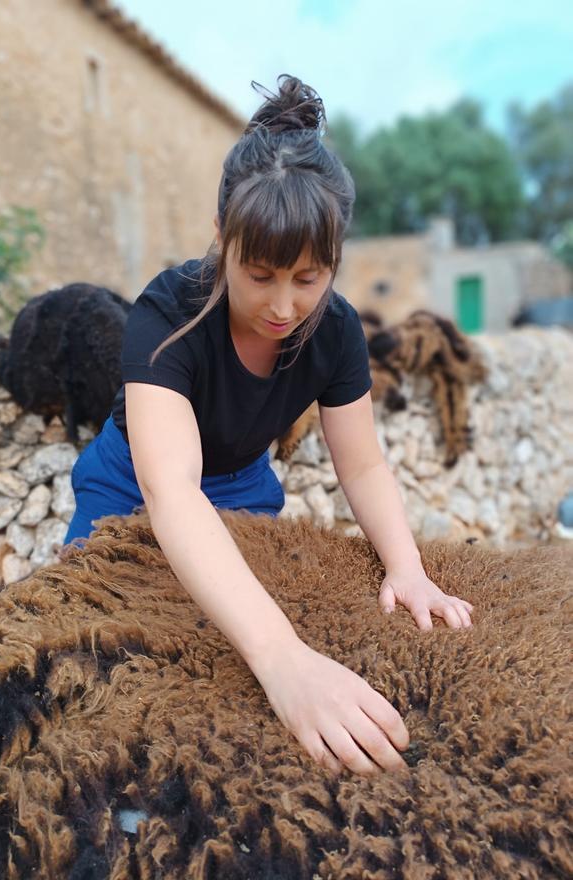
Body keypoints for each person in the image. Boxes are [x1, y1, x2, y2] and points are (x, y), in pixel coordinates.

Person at [64, 75, 474, 776]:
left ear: (335, 263)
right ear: (222, 239)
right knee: (82, 634)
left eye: (309, 278)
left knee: (231, 624)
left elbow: (364, 466)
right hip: (134, 478)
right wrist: (286, 664)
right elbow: (173, 494)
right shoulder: (166, 312)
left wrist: (409, 569)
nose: (284, 306)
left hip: (246, 479)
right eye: (259, 275)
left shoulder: (338, 330)